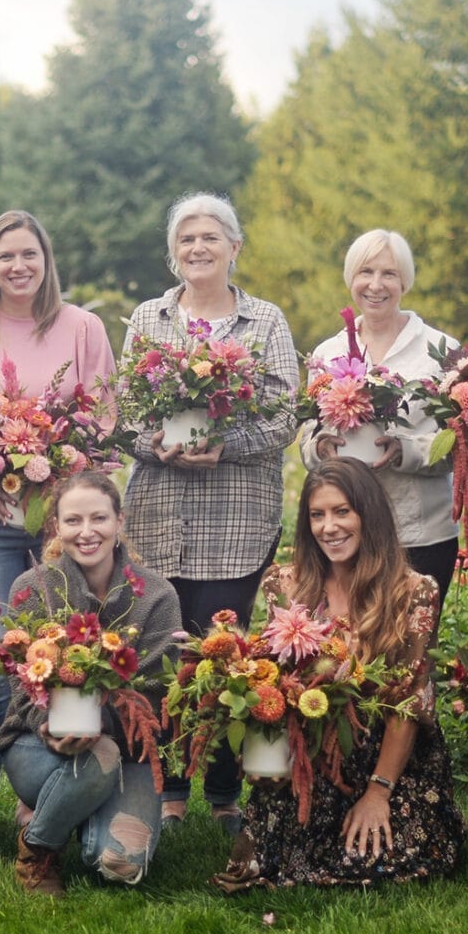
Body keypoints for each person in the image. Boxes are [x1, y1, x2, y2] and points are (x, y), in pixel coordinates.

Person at [0, 210, 115, 839]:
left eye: (29, 255)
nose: (18, 267)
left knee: (56, 663)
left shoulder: (83, 328)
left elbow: (107, 427)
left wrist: (62, 467)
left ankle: (37, 790)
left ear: (46, 260)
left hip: (58, 529)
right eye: (5, 256)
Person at [123, 192, 300, 834]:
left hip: (238, 523)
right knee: (164, 656)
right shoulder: (149, 317)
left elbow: (284, 414)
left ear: (234, 247)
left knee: (228, 656)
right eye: (186, 239)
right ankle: (169, 793)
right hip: (159, 519)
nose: (198, 248)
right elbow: (126, 410)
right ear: (174, 252)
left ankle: (224, 794)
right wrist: (160, 447)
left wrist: (226, 446)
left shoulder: (266, 322)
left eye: (210, 237)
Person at [215, 459, 464, 890]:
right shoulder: (284, 584)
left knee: (386, 853)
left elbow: (407, 702)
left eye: (342, 511)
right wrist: (261, 747)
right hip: (311, 747)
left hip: (385, 751)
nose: (329, 527)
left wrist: (379, 791)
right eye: (317, 514)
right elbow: (268, 678)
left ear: (370, 514)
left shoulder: (413, 592)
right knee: (277, 856)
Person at [0, 472, 184, 896]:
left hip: (129, 754)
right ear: (57, 528)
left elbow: (156, 702)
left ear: (119, 521)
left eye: (98, 518)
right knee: (97, 755)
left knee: (120, 866)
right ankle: (39, 847)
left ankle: (63, 812)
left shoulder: (157, 596)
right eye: (73, 521)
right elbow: (19, 689)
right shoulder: (33, 588)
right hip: (37, 745)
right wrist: (49, 724)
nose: (86, 532)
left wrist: (97, 721)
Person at [298, 228, 460, 596]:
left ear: (405, 281)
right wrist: (320, 448)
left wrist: (407, 450)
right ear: (350, 280)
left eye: (389, 273)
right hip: (348, 536)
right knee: (350, 645)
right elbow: (307, 436)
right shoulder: (327, 353)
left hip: (419, 534)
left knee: (414, 648)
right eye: (365, 272)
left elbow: (460, 446)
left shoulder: (439, 350)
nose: (376, 285)